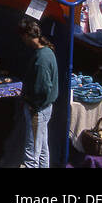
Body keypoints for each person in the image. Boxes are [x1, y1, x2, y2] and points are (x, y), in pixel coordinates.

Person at [20, 17, 58, 168]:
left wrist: (32, 105)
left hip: (38, 110)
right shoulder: (47, 51)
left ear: (27, 36)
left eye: (22, 37)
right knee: (42, 149)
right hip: (45, 108)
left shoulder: (41, 59)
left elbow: (42, 89)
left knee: (31, 155)